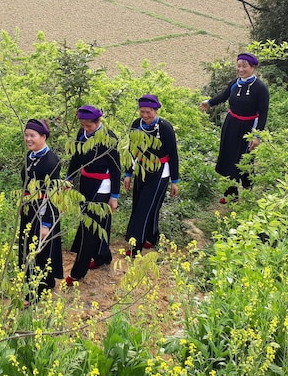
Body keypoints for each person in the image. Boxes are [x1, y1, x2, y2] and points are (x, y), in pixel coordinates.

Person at [201, 52, 269, 202]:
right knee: (228, 158)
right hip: (231, 124)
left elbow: (263, 114)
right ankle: (230, 195)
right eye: (238, 66)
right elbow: (224, 95)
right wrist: (210, 102)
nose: (240, 69)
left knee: (245, 159)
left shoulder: (260, 88)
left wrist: (257, 136)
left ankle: (247, 190)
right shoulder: (235, 83)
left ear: (253, 67)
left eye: (244, 66)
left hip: (249, 127)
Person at [65, 105, 121, 286]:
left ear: (99, 122)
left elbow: (116, 168)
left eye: (89, 126)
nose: (85, 128)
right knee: (96, 223)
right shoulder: (82, 135)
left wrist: (114, 195)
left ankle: (77, 272)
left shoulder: (109, 138)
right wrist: (69, 178)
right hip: (86, 183)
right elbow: (76, 157)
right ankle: (102, 255)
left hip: (102, 187)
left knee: (89, 229)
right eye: (83, 125)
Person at [123, 94, 179, 256]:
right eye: (142, 112)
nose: (145, 115)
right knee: (140, 204)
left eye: (149, 112)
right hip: (141, 168)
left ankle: (136, 245)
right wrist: (128, 173)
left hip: (160, 171)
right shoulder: (136, 125)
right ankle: (150, 236)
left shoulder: (165, 128)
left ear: (156, 111)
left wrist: (174, 180)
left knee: (146, 206)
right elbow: (132, 150)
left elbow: (173, 154)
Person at [17, 118, 63, 299]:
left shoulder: (52, 161)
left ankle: (39, 289)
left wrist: (46, 223)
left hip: (44, 210)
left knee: (41, 250)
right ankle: (34, 282)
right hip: (30, 207)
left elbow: (52, 194)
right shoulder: (30, 156)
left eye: (32, 136)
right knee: (27, 247)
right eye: (26, 135)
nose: (28, 139)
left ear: (43, 136)